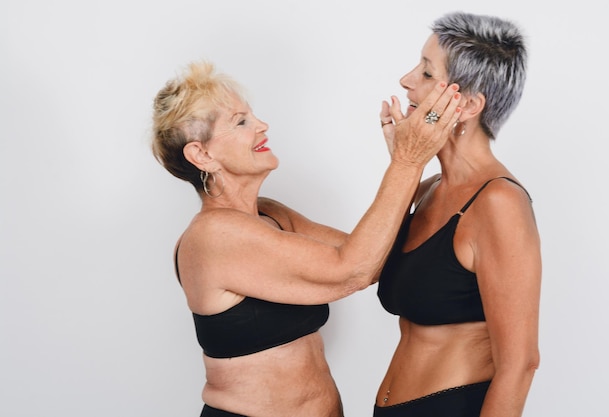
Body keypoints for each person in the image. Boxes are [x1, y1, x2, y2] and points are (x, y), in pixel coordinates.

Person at [151, 60, 461, 417]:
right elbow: (352, 270)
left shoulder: (269, 214)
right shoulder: (212, 236)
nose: (262, 126)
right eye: (241, 121)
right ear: (201, 154)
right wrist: (407, 163)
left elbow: (372, 259)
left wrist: (405, 164)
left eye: (252, 116)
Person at [373, 11, 541, 417]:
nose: (407, 80)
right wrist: (403, 167)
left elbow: (520, 365)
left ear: (466, 105)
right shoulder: (429, 189)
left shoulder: (499, 204)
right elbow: (360, 266)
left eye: (427, 73)